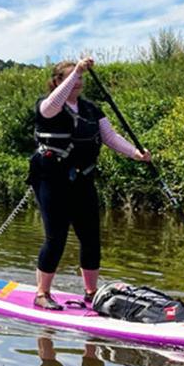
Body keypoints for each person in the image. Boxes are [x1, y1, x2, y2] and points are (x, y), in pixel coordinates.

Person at [28, 57, 150, 310]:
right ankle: (42, 293)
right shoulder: (47, 105)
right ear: (57, 81)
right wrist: (77, 70)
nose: (78, 82)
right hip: (51, 178)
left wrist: (135, 154)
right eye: (72, 77)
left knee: (91, 237)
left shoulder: (91, 109)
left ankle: (91, 292)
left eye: (81, 78)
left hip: (82, 179)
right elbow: (52, 105)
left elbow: (111, 137)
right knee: (56, 237)